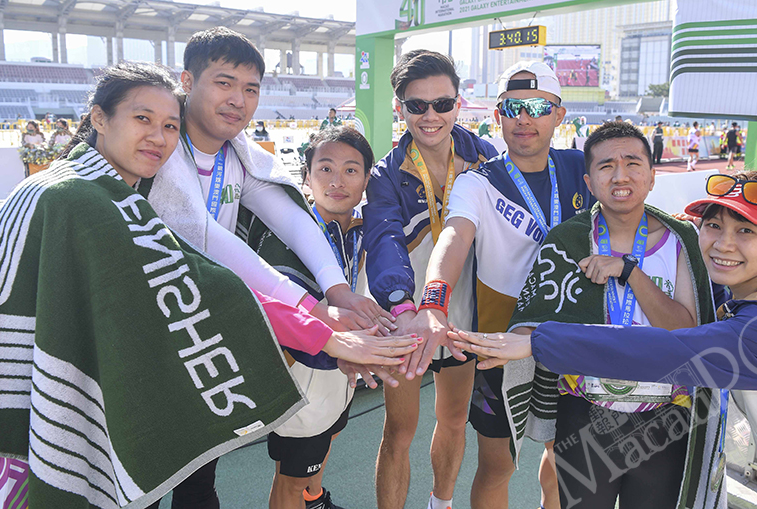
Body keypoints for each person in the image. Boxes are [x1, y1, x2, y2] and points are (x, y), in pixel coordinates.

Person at [0, 62, 421, 509]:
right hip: (61, 394)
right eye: (143, 118)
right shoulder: (80, 199)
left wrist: (327, 323)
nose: (158, 137)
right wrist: (324, 332)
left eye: (170, 126)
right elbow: (200, 283)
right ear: (99, 118)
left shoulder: (97, 190)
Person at [452, 169, 757, 509]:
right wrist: (643, 259)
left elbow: (673, 352)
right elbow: (704, 307)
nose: (723, 244)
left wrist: (539, 341)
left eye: (747, 231)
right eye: (713, 226)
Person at [143, 27, 391, 508]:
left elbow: (293, 219)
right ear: (187, 81)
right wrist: (315, 309)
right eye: (224, 83)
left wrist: (338, 290)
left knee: (199, 476)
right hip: (147, 334)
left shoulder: (238, 154)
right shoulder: (162, 149)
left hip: (197, 331)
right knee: (143, 480)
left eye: (251, 88)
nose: (238, 100)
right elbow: (208, 239)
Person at [456, 120, 713, 508]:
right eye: (606, 166)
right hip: (585, 414)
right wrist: (517, 341)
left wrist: (629, 271)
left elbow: (685, 331)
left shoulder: (681, 239)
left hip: (665, 416)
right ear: (590, 183)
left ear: (651, 176)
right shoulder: (568, 240)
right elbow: (538, 313)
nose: (620, 175)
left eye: (632, 163)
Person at [426, 61, 591, 509]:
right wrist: (433, 302)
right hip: (501, 345)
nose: (524, 118)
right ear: (498, 115)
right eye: (512, 107)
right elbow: (454, 238)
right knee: (498, 466)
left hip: (572, 338)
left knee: (565, 461)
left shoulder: (583, 167)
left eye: (538, 107)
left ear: (559, 115)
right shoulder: (478, 182)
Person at [364, 50, 497, 509]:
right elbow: (383, 241)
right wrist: (404, 308)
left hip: (464, 315)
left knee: (455, 419)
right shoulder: (384, 175)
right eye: (417, 105)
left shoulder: (487, 157)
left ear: (458, 103)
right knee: (399, 432)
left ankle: (441, 504)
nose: (431, 116)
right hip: (407, 318)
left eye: (442, 104)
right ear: (399, 107)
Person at [266, 126, 375, 509]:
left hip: (342, 374)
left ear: (366, 179)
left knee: (325, 445)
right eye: (325, 168)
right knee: (290, 480)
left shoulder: (364, 230)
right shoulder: (288, 232)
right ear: (306, 177)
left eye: (351, 170)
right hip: (302, 378)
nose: (337, 181)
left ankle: (314, 500)